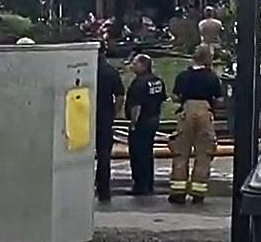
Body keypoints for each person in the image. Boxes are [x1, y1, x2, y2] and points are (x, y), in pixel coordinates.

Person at [168, 44, 223, 205]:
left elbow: (175, 96)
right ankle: (198, 192)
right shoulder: (212, 77)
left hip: (187, 111)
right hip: (205, 111)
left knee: (180, 152)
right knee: (204, 153)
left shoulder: (183, 76)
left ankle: (178, 192)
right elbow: (219, 100)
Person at [124, 54, 166, 195]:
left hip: (141, 122)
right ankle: (149, 182)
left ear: (143, 65)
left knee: (137, 154)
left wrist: (133, 123)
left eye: (135, 63)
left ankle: (140, 185)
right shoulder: (157, 81)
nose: (132, 65)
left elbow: (136, 106)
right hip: (153, 119)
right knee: (147, 153)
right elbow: (161, 99)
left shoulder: (139, 83)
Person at [95, 44, 125, 202]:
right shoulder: (110, 72)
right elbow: (120, 95)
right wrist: (114, 113)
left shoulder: (81, 69)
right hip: (105, 117)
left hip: (81, 118)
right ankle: (104, 189)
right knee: (104, 154)